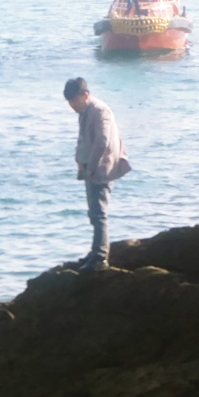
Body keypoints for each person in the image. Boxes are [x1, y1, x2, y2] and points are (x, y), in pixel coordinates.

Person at [63, 77, 131, 271]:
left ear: (85, 95)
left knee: (99, 212)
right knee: (93, 213)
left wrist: (91, 167)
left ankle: (100, 258)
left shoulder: (100, 111)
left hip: (102, 167)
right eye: (69, 102)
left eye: (74, 101)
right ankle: (96, 252)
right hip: (89, 167)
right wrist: (79, 160)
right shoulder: (85, 111)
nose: (72, 106)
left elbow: (103, 141)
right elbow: (83, 137)